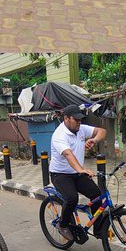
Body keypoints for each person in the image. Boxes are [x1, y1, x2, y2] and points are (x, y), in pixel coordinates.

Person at [49, 103, 106, 242]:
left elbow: (102, 131)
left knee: (97, 195)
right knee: (72, 198)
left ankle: (98, 229)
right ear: (67, 118)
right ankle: (63, 225)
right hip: (60, 174)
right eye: (76, 120)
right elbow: (68, 154)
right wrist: (81, 169)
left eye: (81, 120)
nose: (79, 123)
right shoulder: (59, 135)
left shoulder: (80, 129)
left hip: (76, 173)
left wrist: (94, 139)